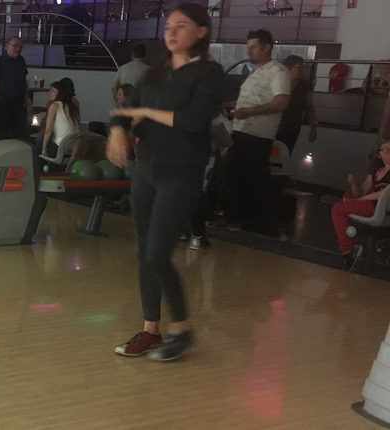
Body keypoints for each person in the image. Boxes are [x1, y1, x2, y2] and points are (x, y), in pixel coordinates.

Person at [107, 3, 224, 362]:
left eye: (181, 26)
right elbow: (129, 110)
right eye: (168, 26)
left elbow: (195, 120)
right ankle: (150, 330)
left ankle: (182, 329)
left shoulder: (209, 72)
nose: (171, 33)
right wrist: (116, 130)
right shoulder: (154, 74)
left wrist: (145, 114)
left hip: (181, 172)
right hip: (146, 169)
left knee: (158, 252)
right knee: (145, 252)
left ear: (201, 31)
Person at [216, 29, 290, 232]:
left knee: (250, 178)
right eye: (248, 48)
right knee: (234, 175)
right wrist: (234, 105)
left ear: (267, 47)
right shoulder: (255, 72)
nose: (249, 51)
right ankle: (235, 218)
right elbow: (254, 100)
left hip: (257, 135)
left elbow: (281, 101)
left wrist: (250, 111)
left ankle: (251, 222)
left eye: (254, 47)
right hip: (241, 131)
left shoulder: (277, 71)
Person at [333, 140, 390, 270]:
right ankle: (348, 247)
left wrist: (363, 199)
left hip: (378, 206)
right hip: (368, 203)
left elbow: (383, 194)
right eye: (386, 150)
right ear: (379, 154)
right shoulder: (376, 172)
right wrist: (354, 184)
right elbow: (361, 192)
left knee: (338, 209)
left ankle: (347, 249)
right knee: (343, 203)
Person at [275, 55, 318, 152]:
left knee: (285, 156)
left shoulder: (303, 85)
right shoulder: (276, 82)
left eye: (302, 67)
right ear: (288, 67)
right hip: (274, 128)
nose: (301, 70)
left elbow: (309, 107)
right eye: (299, 67)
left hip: (292, 129)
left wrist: (313, 128)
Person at [39, 80, 79, 160]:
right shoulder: (72, 106)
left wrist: (43, 150)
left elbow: (48, 130)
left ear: (60, 93)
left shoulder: (55, 106)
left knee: (40, 145)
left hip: (60, 146)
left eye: (53, 91)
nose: (50, 92)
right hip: (75, 144)